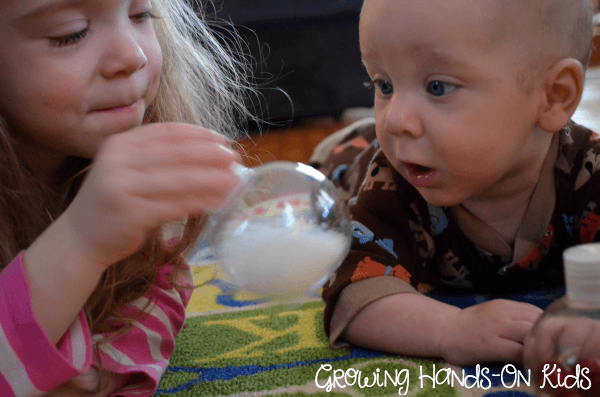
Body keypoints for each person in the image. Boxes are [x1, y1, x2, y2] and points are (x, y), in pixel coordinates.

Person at [310, 0, 600, 385]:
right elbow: (353, 292)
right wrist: (451, 329)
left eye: (437, 87)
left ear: (554, 95)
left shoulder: (589, 168)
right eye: (384, 85)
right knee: (324, 187)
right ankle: (344, 140)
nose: (396, 119)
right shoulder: (393, 183)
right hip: (354, 161)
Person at [0, 0, 256, 395]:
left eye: (140, 14)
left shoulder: (130, 178)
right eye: (69, 32)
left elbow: (157, 296)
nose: (132, 56)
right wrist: (81, 240)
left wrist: (103, 368)